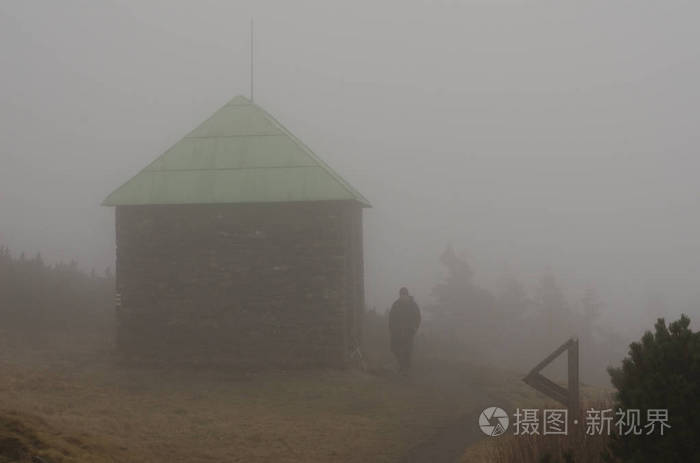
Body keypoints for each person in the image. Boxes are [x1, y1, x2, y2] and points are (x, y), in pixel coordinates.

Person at [389, 287, 421, 374]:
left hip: (409, 332)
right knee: (394, 348)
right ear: (400, 295)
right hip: (397, 332)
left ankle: (406, 370)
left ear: (407, 295)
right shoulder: (396, 304)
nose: (403, 296)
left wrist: (414, 328)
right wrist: (392, 329)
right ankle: (401, 365)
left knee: (407, 351)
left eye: (404, 294)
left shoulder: (413, 305)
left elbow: (418, 318)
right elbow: (391, 318)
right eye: (401, 295)